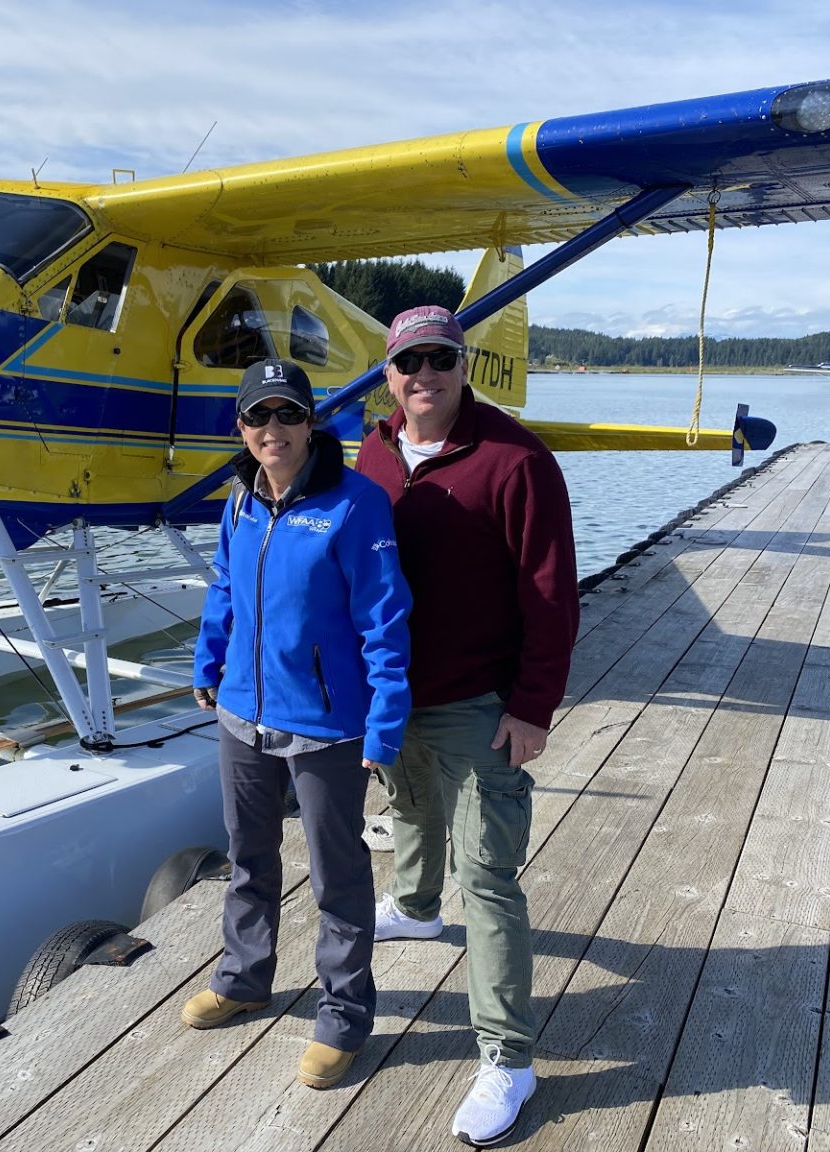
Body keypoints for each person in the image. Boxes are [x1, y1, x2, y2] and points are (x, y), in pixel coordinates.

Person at [356, 306, 578, 1146]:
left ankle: (508, 1057)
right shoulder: (375, 454)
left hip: (482, 703)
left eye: (439, 359)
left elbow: (552, 592)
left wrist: (532, 706)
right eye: (408, 361)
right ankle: (414, 907)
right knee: (409, 807)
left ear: (462, 365)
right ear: (388, 375)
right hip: (396, 696)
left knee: (488, 879)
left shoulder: (516, 460)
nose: (424, 376)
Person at [184, 357, 412, 1091]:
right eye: (258, 416)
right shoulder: (240, 500)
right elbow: (224, 586)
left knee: (337, 875)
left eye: (288, 414)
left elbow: (385, 621)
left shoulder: (356, 504)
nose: (272, 429)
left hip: (327, 726)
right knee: (247, 857)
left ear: (312, 423)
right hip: (242, 716)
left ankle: (345, 1012)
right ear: (242, 428)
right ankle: (245, 977)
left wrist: (383, 728)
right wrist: (207, 663)